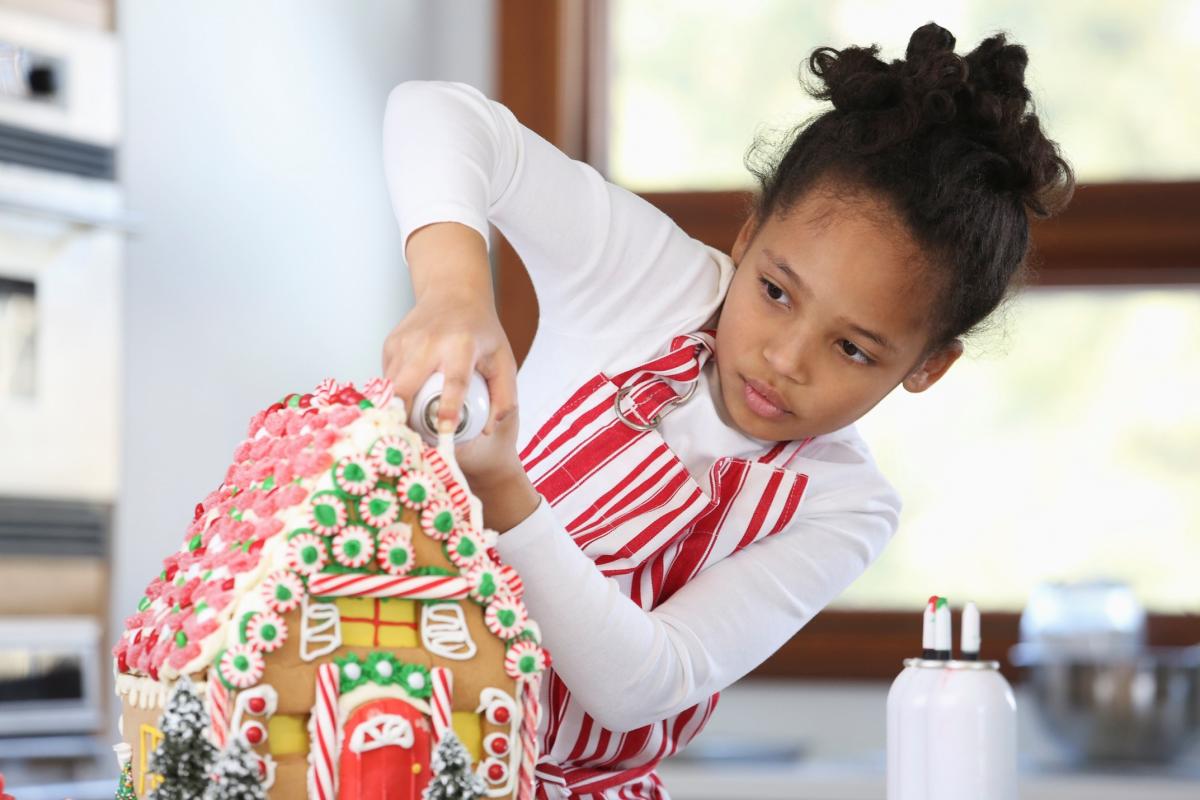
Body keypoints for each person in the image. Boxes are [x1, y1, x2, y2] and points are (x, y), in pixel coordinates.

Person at [381, 21, 1073, 799]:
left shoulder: (843, 506)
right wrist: (456, 294)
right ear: (746, 237)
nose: (784, 358)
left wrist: (505, 494)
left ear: (928, 366)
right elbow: (438, 112)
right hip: (368, 712)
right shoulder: (650, 284)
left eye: (853, 349)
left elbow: (642, 684)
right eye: (775, 292)